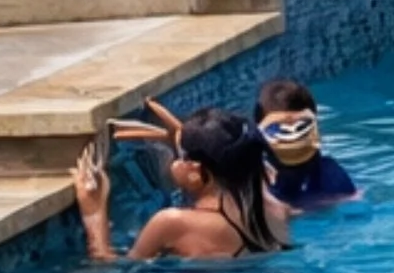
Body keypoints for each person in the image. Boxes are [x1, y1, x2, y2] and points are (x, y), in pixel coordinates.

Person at [75, 107, 291, 262]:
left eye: (179, 156)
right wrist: (192, 142)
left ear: (196, 172)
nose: (174, 161)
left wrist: (93, 213)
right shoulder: (275, 209)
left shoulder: (171, 222)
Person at [255, 77, 360, 208]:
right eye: (279, 130)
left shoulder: (329, 173)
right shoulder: (331, 174)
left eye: (300, 127)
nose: (291, 136)